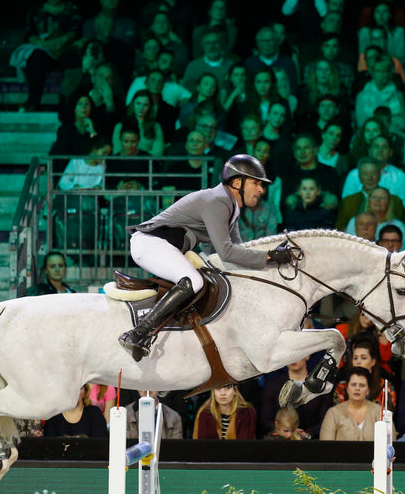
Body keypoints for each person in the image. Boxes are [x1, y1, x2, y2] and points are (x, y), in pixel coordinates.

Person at [119, 154, 292, 360]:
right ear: (238, 183)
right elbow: (227, 252)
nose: (261, 190)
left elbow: (237, 251)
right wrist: (270, 256)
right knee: (193, 281)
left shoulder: (230, 206)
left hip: (164, 246)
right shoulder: (217, 201)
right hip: (150, 244)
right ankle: (139, 333)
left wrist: (270, 257)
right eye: (256, 183)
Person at [320, 367, 384, 441]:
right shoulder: (334, 413)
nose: (357, 388)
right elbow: (326, 446)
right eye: (353, 384)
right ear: (347, 388)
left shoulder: (379, 412)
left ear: (368, 390)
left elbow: (389, 445)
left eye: (362, 385)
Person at [43, 383, 109, 438]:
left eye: (79, 388)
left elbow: (101, 445)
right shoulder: (53, 416)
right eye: (69, 389)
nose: (74, 392)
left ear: (85, 393)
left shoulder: (94, 413)